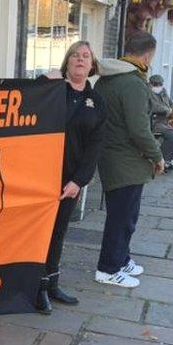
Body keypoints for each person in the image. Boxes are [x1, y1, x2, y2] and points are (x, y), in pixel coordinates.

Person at [34, 41, 106, 314]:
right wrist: (43, 79)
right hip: (40, 174)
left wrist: (79, 181)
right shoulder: (53, 91)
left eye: (86, 56)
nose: (80, 59)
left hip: (69, 180)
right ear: (67, 62)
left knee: (58, 232)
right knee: (38, 231)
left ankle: (51, 283)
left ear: (92, 66)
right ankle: (35, 287)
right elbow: (22, 101)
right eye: (75, 55)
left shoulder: (97, 101)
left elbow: (96, 145)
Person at [92, 31, 164, 288]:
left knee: (123, 214)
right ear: (147, 55)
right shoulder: (132, 83)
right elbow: (139, 129)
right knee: (122, 217)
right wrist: (157, 155)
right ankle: (108, 268)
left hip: (112, 156)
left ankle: (121, 259)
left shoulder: (106, 79)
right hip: (127, 160)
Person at [148, 74, 173, 172]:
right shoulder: (147, 93)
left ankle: (169, 157)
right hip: (154, 123)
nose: (158, 86)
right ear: (151, 84)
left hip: (164, 122)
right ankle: (161, 160)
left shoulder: (163, 92)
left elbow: (171, 104)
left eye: (160, 84)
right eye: (156, 84)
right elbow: (155, 107)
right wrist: (168, 110)